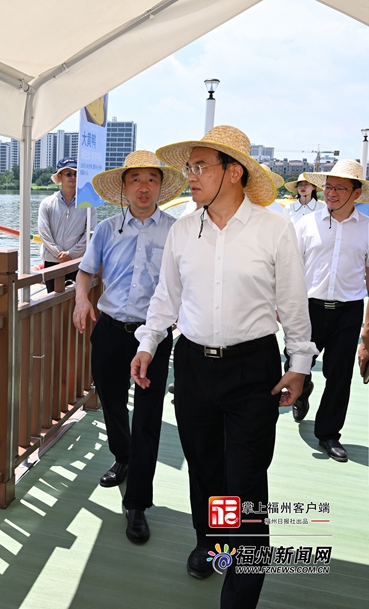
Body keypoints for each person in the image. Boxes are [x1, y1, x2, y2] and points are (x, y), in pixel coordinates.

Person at [130, 126, 317, 609]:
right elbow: (166, 297)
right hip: (192, 366)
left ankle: (240, 596)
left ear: (233, 173)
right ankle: (214, 543)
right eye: (189, 168)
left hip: (252, 369)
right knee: (207, 469)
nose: (189, 177)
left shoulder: (274, 228)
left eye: (199, 167)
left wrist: (299, 363)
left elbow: (294, 303)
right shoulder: (181, 230)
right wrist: (148, 342)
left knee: (247, 477)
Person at [73, 151, 186, 544]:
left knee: (149, 417)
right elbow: (86, 271)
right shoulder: (106, 230)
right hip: (108, 330)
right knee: (110, 401)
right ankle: (123, 456)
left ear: (160, 187)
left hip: (152, 336)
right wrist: (81, 299)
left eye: (151, 180)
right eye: (135, 179)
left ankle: (137, 502)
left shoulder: (177, 231)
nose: (143, 187)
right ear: (123, 186)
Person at [291, 160, 369, 462]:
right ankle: (303, 386)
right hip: (309, 307)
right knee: (297, 365)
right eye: (328, 187)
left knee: (339, 376)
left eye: (340, 188)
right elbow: (292, 269)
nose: (331, 193)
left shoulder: (366, 229)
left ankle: (328, 434)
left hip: (348, 311)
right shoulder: (306, 224)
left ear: (357, 193)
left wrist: (367, 330)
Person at [38, 157, 96, 292]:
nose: (73, 177)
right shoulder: (47, 203)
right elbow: (43, 232)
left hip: (77, 262)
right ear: (60, 176)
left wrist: (71, 254)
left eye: (76, 173)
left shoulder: (88, 205)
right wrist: (60, 253)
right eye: (68, 173)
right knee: (52, 300)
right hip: (52, 261)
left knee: (75, 300)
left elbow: (90, 232)